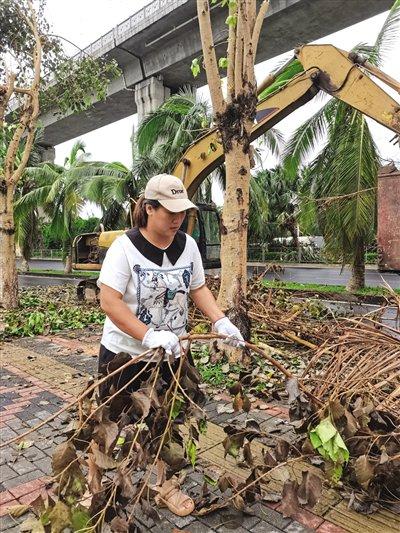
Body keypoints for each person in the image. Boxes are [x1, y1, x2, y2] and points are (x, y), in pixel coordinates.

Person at [97, 174, 244, 516]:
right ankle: (97, 484)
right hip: (125, 357)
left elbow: (198, 288)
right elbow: (109, 301)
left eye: (182, 212)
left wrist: (219, 320)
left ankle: (165, 486)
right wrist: (147, 335)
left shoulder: (187, 245)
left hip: (172, 356)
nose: (177, 219)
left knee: (166, 425)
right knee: (110, 424)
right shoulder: (124, 248)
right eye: (169, 211)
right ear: (149, 209)